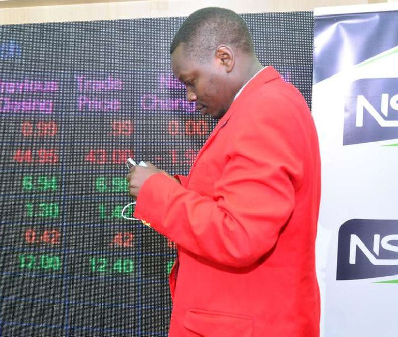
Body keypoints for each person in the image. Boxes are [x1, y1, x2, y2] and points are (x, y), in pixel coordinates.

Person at [126, 7, 321, 337]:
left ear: (224, 58)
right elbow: (236, 197)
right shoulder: (261, 104)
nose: (190, 96)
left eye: (191, 81)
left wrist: (158, 192)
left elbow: (240, 235)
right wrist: (172, 184)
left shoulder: (266, 111)